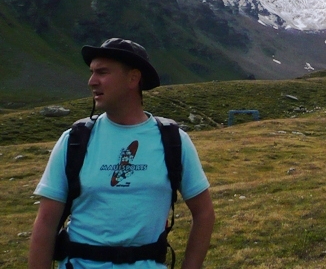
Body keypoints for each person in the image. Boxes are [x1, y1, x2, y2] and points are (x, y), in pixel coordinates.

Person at [28, 38, 215, 268]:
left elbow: (204, 213)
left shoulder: (174, 140)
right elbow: (46, 223)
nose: (91, 81)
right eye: (92, 72)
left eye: (102, 72)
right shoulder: (74, 140)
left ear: (133, 78)